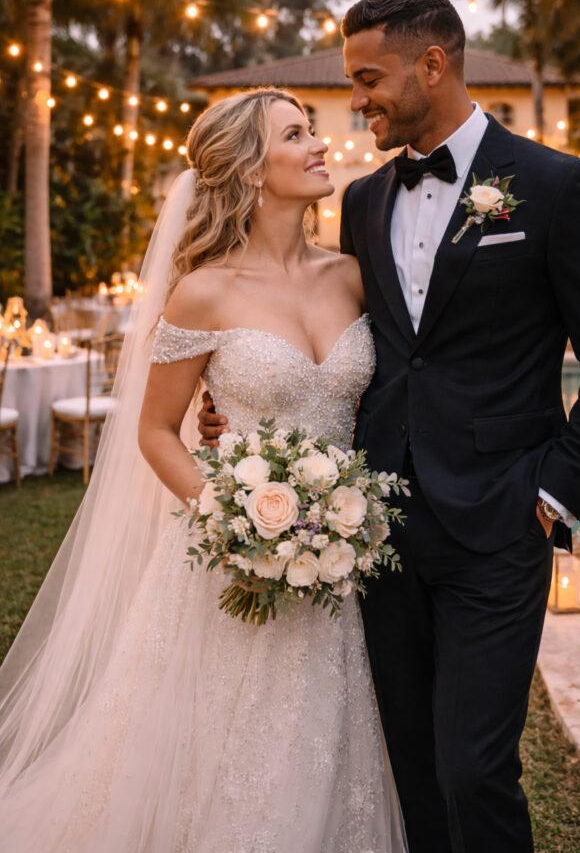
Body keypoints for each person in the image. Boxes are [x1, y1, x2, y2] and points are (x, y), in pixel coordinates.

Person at [200, 0, 580, 853]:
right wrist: (246, 413)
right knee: (407, 761)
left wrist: (556, 493)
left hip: (499, 523)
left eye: (369, 78)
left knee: (473, 770)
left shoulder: (558, 187)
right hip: (372, 531)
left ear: (433, 65)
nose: (358, 98)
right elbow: (366, 352)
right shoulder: (364, 202)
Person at [0, 89, 406, 852]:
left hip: (341, 557)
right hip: (229, 563)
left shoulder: (354, 275)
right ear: (251, 170)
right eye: (297, 134)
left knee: (322, 733)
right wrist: (234, 522)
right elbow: (155, 431)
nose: (322, 143)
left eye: (312, 130)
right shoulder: (205, 289)